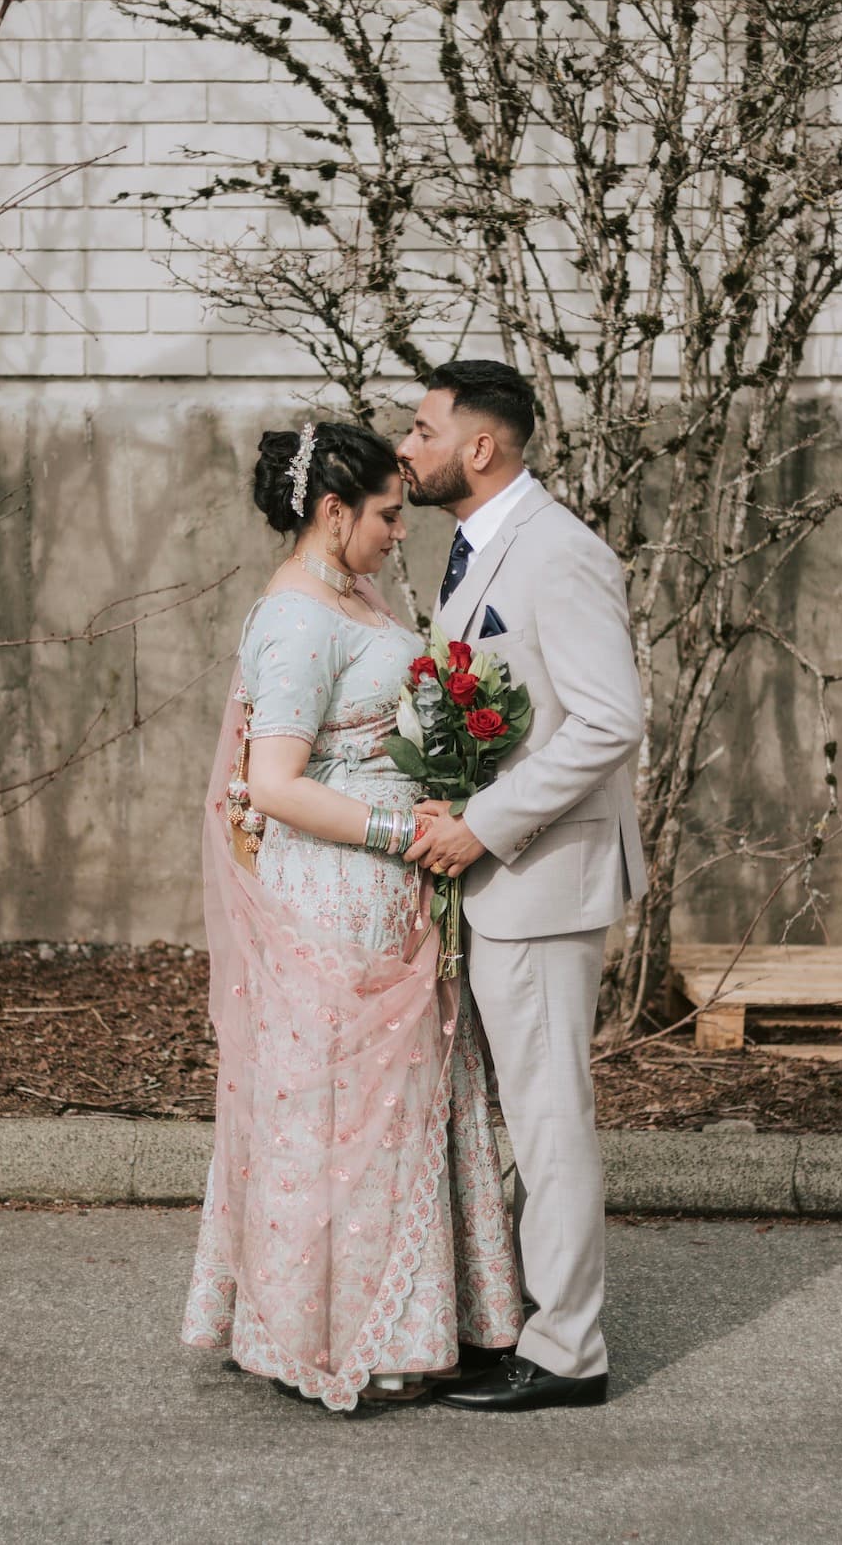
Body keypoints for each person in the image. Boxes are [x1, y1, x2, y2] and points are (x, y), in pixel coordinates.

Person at [182, 420, 522, 1413]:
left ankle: (422, 1322)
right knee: (337, 1115)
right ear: (332, 512)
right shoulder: (295, 620)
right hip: (331, 896)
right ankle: (330, 1328)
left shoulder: (355, 593)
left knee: (406, 1102)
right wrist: (395, 829)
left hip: (389, 891)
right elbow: (273, 782)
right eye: (381, 515)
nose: (394, 532)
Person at [398, 360, 647, 1413]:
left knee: (550, 1117)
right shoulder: (476, 549)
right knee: (528, 1113)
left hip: (543, 879)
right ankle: (529, 1319)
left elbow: (609, 717)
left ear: (480, 447)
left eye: (421, 429)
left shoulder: (558, 555)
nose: (406, 447)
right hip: (506, 879)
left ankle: (567, 1352)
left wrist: (485, 825)